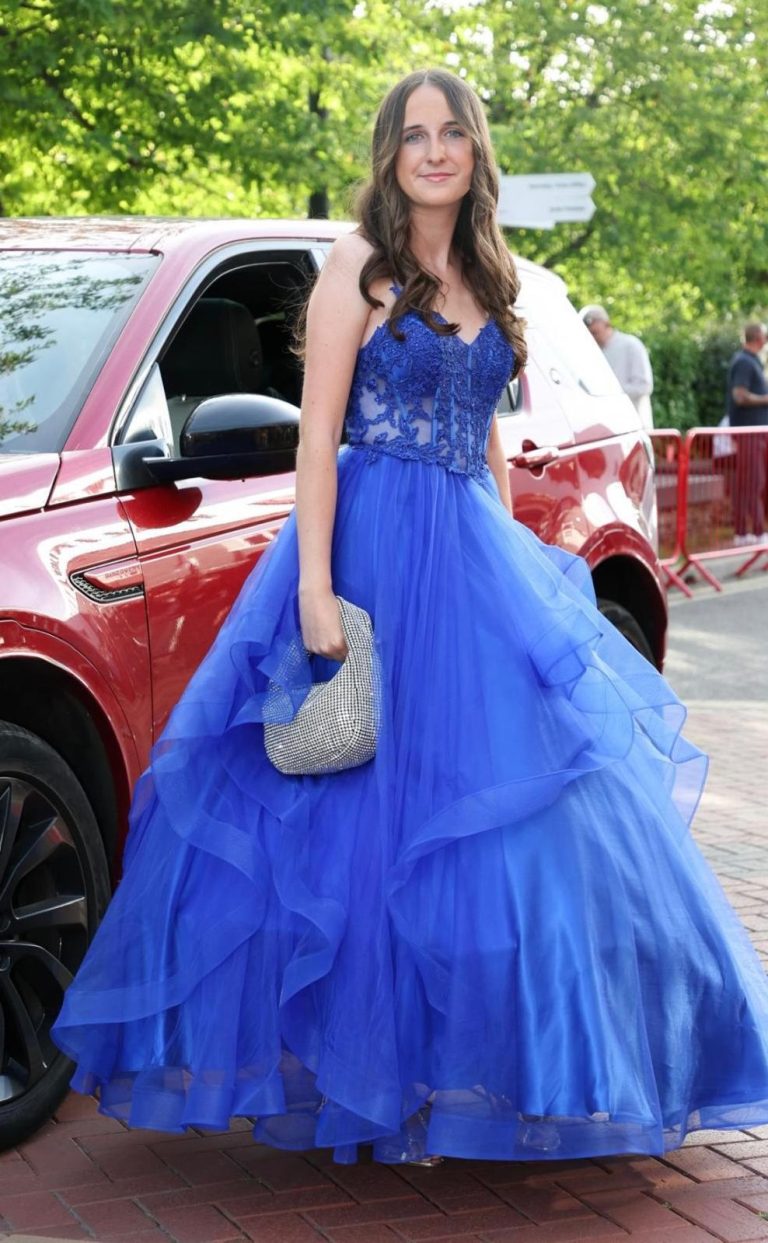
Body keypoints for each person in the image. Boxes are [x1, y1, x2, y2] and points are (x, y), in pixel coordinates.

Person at [53, 69, 768, 1167]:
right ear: (389, 154)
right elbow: (318, 434)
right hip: (373, 548)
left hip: (472, 552)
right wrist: (312, 591)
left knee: (496, 823)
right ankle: (367, 1079)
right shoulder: (361, 268)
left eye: (452, 134)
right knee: (355, 826)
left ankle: (472, 1071)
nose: (433, 151)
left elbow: (484, 433)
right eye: (412, 136)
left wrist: (516, 557)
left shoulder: (495, 272)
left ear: (476, 152)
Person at [580, 303, 654, 430]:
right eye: (588, 334)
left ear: (606, 324)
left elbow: (643, 386)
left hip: (634, 427)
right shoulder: (589, 352)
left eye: (594, 333)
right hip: (605, 429)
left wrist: (608, 393)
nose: (592, 338)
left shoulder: (631, 345)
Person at [726, 322, 768, 545]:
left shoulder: (750, 361)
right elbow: (739, 396)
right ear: (759, 338)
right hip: (749, 433)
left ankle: (743, 532)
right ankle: (757, 531)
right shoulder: (744, 362)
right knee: (753, 481)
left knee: (748, 482)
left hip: (752, 433)